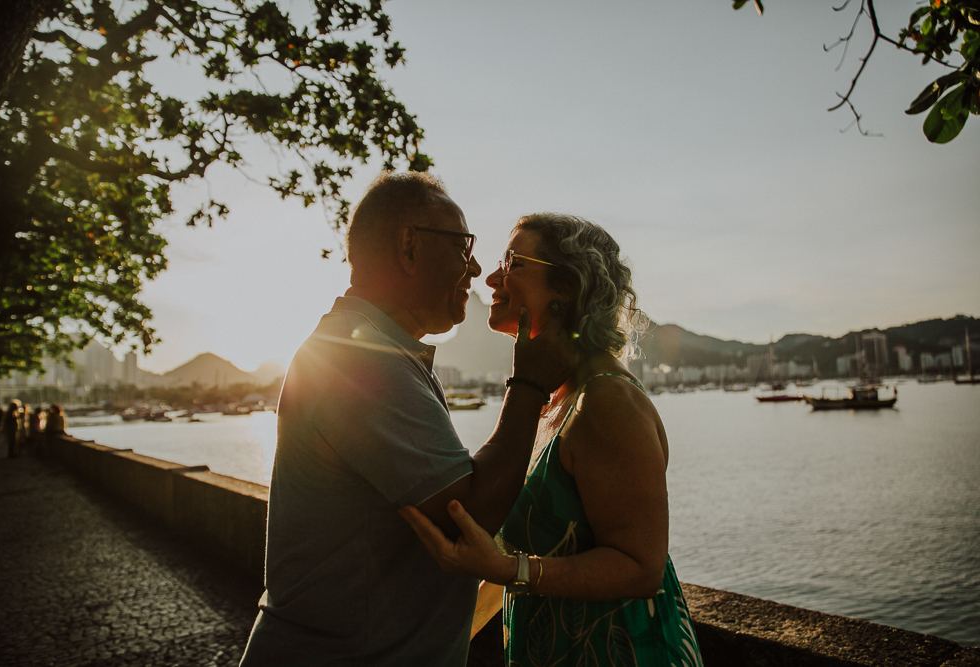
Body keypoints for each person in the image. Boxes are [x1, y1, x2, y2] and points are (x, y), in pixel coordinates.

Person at [239, 173, 577, 666]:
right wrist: (528, 386)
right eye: (465, 247)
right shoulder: (359, 361)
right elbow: (468, 519)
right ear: (409, 247)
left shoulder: (370, 349)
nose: (478, 268)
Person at [400, 213, 704, 666]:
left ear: (566, 288)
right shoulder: (550, 395)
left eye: (513, 262)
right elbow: (502, 565)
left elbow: (642, 567)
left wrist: (510, 569)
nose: (493, 276)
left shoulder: (607, 400)